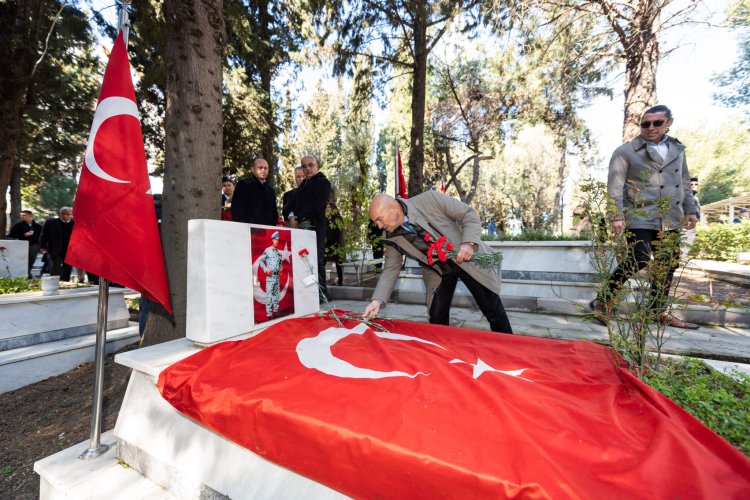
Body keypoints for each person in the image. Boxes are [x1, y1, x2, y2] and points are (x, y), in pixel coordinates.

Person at [590, 104, 700, 330]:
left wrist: (691, 210)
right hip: (639, 213)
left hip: (670, 215)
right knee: (639, 257)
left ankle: (657, 310)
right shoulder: (625, 152)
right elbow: (615, 186)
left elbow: (685, 182)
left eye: (657, 123)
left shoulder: (677, 150)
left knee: (668, 262)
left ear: (669, 122)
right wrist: (616, 216)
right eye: (645, 124)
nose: (650, 127)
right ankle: (602, 301)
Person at [362, 192, 513, 334]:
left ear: (394, 208)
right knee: (436, 316)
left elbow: (469, 214)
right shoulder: (390, 237)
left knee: (492, 310)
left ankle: (509, 347)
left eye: (379, 219)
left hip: (465, 259)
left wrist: (468, 243)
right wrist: (377, 301)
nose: (379, 226)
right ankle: (442, 354)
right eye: (376, 222)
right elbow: (390, 270)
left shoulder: (430, 199)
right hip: (438, 272)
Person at [290, 155, 331, 301]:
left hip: (315, 228)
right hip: (302, 229)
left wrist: (299, 217)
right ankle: (312, 292)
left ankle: (322, 294)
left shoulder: (323, 182)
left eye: (310, 165)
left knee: (316, 260)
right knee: (305, 260)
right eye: (304, 166)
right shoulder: (303, 184)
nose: (307, 168)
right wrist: (293, 217)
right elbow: (296, 205)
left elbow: (317, 205)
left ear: (317, 165)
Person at [231, 158, 279, 225]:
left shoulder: (270, 190)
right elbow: (237, 210)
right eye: (260, 167)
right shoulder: (244, 184)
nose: (263, 170)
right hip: (248, 229)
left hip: (268, 230)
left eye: (266, 168)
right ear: (252, 169)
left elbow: (274, 212)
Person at [39, 207, 75, 281]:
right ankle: (55, 282)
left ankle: (65, 281)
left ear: (71, 215)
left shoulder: (75, 224)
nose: (65, 216)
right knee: (55, 267)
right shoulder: (50, 223)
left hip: (69, 250)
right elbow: (43, 235)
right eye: (63, 214)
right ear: (59, 214)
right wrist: (42, 247)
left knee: (67, 268)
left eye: (67, 214)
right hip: (54, 249)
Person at [7, 209, 42, 278]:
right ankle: (26, 274)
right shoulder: (18, 226)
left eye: (24, 215)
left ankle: (28, 272)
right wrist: (24, 235)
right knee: (23, 259)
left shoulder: (38, 226)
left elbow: (42, 236)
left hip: (34, 245)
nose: (22, 217)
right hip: (22, 245)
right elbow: (11, 235)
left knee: (32, 259)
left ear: (30, 216)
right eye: (21, 215)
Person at [258, 231, 283, 320]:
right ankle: (269, 315)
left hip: (277, 277)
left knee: (276, 295)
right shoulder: (268, 250)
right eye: (275, 239)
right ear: (272, 240)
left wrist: (281, 267)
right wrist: (265, 269)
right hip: (270, 277)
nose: (277, 241)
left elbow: (280, 262)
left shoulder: (278, 252)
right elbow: (260, 260)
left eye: (278, 240)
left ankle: (275, 313)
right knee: (269, 296)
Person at [324, 202, 344, 286]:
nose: (327, 209)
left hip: (336, 245)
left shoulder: (338, 219)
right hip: (327, 245)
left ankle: (340, 281)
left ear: (333, 209)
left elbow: (336, 232)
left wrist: (326, 240)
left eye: (329, 207)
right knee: (322, 261)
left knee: (338, 263)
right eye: (327, 207)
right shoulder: (326, 219)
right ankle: (322, 280)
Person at [681, 177, 700, 260]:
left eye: (696, 184)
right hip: (684, 225)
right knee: (683, 246)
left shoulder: (695, 198)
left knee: (687, 245)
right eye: (691, 184)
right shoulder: (684, 197)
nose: (693, 186)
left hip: (692, 226)